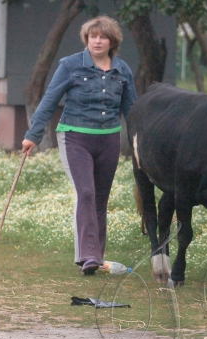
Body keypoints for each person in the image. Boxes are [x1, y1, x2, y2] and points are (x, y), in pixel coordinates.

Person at [22, 16, 138, 275]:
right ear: (87, 39)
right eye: (92, 36)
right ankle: (87, 256)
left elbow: (132, 110)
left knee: (100, 199)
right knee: (85, 192)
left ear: (112, 41)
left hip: (109, 139)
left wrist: (141, 143)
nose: (97, 41)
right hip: (75, 136)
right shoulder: (70, 65)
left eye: (103, 37)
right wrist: (33, 135)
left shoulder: (123, 70)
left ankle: (96, 256)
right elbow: (49, 100)